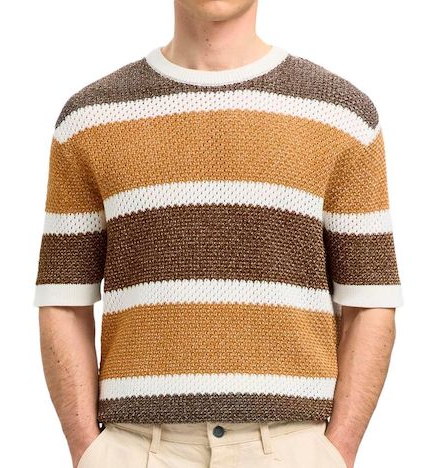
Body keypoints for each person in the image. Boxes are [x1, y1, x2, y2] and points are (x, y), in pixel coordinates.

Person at [33, 1, 404, 467]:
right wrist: (89, 451)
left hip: (290, 448)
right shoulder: (89, 119)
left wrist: (335, 452)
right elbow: (63, 299)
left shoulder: (343, 116)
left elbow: (370, 301)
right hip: (136, 447)